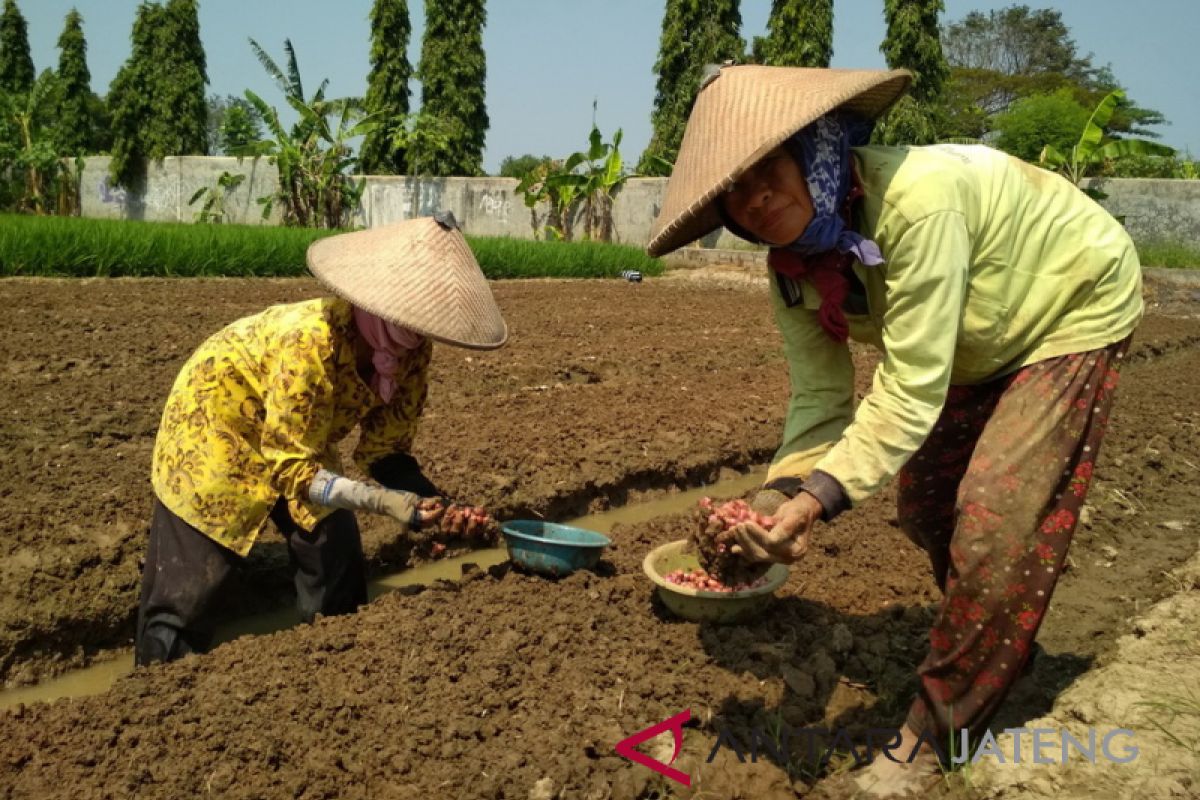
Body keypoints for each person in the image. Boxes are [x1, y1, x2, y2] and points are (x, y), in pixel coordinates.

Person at [646, 65, 1142, 796]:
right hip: (971, 339)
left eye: (768, 169)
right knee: (927, 505)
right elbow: (821, 395)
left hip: (1070, 304)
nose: (753, 199)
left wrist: (815, 502)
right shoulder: (793, 270)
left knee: (994, 518)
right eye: (733, 191)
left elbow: (909, 386)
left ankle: (939, 727)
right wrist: (776, 494)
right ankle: (997, 637)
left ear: (815, 147)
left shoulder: (916, 202)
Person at [136, 212, 507, 667]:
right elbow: (294, 470)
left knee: (334, 547)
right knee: (193, 579)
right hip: (219, 421)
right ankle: (157, 677)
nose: (418, 333)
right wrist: (387, 504)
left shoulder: (410, 355)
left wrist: (436, 505)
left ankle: (329, 663)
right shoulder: (311, 341)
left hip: (299, 437)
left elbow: (385, 451)